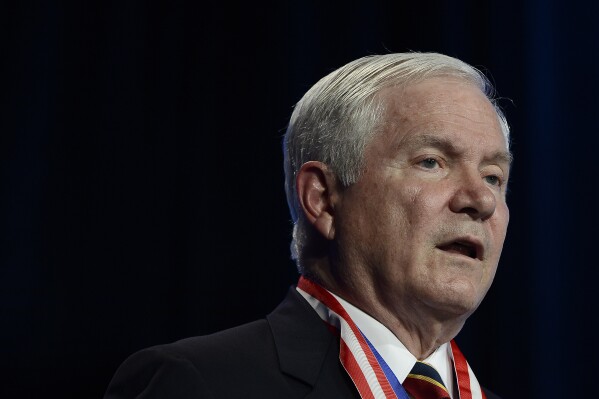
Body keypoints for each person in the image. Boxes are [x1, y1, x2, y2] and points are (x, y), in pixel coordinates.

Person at [105, 52, 511, 399]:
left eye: (493, 176)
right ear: (322, 199)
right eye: (431, 162)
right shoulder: (201, 383)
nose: (481, 200)